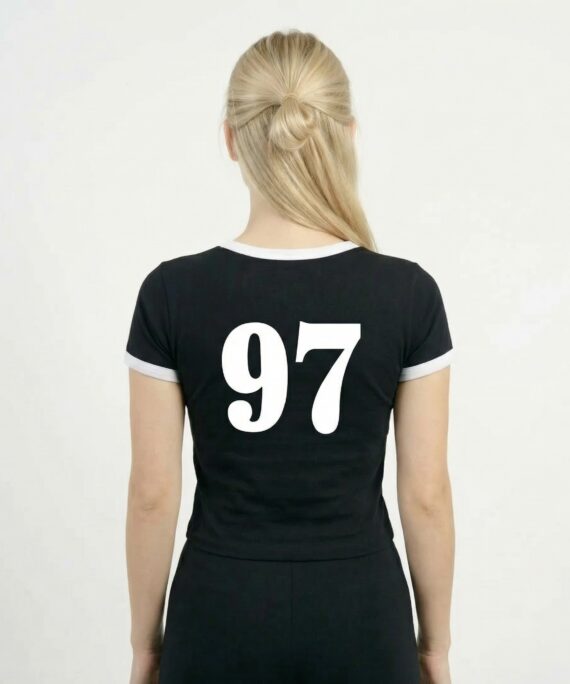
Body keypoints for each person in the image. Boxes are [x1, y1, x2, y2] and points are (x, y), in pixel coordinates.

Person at [124, 29, 455, 684]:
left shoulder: (171, 293)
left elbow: (153, 496)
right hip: (363, 613)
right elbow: (426, 496)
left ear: (230, 139)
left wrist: (145, 646)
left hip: (217, 611)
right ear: (348, 134)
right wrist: (435, 647)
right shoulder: (408, 294)